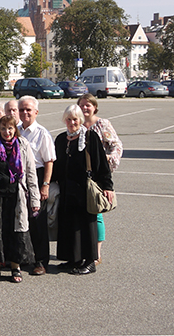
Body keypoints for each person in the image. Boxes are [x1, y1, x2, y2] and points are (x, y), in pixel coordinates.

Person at [0, 116, 40, 283]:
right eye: (3, 128)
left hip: (16, 195)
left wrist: (35, 200)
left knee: (16, 230)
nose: (7, 132)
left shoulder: (23, 145)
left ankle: (15, 266)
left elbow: (31, 174)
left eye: (10, 128)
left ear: (14, 129)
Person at [53, 105, 113, 275]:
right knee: (68, 224)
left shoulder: (89, 137)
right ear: (64, 120)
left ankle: (89, 261)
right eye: (69, 119)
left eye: (75, 119)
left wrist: (107, 186)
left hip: (84, 188)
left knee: (86, 225)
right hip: (66, 188)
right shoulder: (60, 139)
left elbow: (101, 164)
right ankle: (73, 259)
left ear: (80, 120)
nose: (72, 122)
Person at [78, 93, 123, 264]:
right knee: (84, 213)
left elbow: (117, 145)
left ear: (94, 107)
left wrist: (107, 161)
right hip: (81, 176)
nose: (84, 108)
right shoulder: (78, 124)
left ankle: (96, 253)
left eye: (88, 105)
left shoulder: (102, 124)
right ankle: (84, 250)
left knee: (96, 213)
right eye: (81, 105)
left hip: (98, 176)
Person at [18, 96, 57, 276]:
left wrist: (45, 185)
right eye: (22, 110)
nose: (24, 113)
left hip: (38, 177)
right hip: (19, 178)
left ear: (36, 112)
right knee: (21, 218)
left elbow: (49, 161)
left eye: (28, 110)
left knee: (37, 221)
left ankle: (41, 260)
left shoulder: (42, 133)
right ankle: (26, 256)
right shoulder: (16, 131)